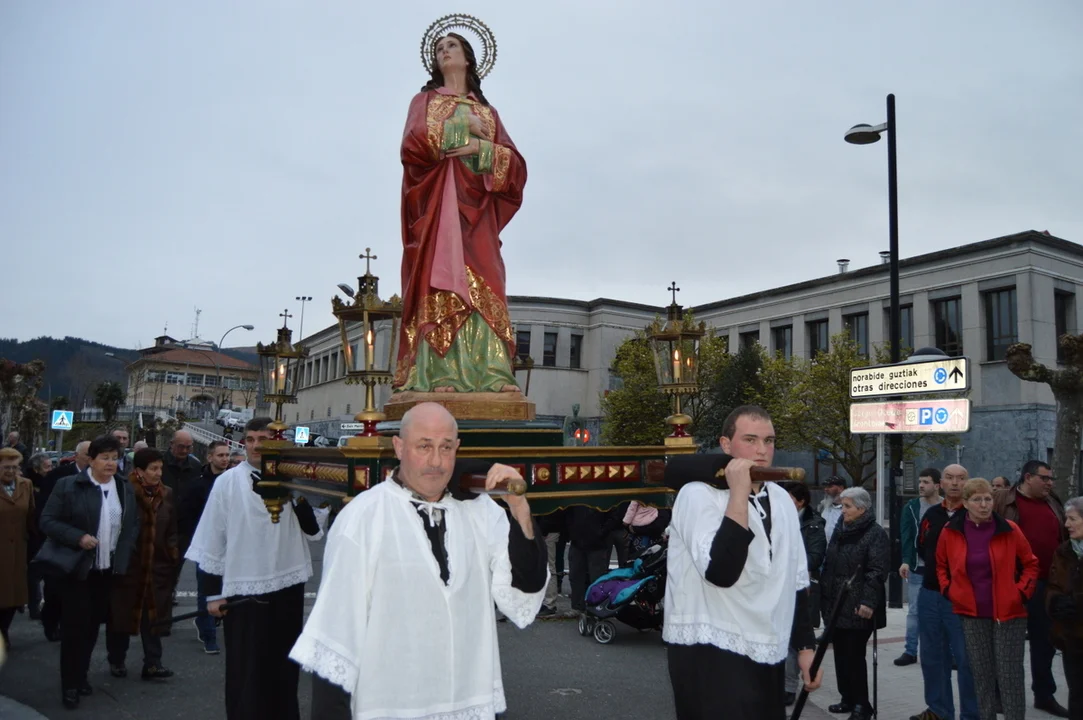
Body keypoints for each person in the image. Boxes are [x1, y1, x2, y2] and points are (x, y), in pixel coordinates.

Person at [289, 402, 548, 719]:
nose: (436, 461)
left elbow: (525, 585)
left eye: (446, 447)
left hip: (469, 701)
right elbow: (335, 638)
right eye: (424, 446)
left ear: (457, 449)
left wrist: (519, 508)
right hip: (390, 707)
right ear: (399, 447)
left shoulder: (481, 512)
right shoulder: (363, 517)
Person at [663, 405, 820, 719]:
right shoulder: (697, 495)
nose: (762, 450)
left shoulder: (781, 500)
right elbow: (721, 572)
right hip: (709, 648)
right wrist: (738, 493)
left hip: (767, 644)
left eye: (769, 440)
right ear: (726, 444)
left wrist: (805, 648)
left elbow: (794, 580)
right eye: (750, 440)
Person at [394, 31, 528, 393]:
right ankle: (440, 373)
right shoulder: (425, 101)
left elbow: (515, 167)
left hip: (478, 214)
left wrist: (478, 149)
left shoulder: (488, 112)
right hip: (439, 209)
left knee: (488, 280)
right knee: (442, 277)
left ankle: (493, 373)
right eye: (438, 49)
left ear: (467, 57)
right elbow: (413, 144)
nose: (444, 52)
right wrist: (461, 127)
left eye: (451, 46)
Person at [186, 417, 323, 720]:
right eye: (250, 439)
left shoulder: (294, 479)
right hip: (243, 587)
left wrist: (296, 494)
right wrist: (212, 594)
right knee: (246, 668)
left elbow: (314, 532)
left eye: (264, 439)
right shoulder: (227, 482)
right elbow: (212, 538)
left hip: (287, 584)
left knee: (284, 666)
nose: (257, 446)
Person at [39, 435, 139, 709]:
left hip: (106, 572)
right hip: (77, 570)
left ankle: (81, 675)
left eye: (114, 458)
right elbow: (47, 520)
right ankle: (70, 684)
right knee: (74, 630)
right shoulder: (69, 485)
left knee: (93, 627)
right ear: (91, 460)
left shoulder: (123, 488)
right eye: (104, 458)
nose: (110, 463)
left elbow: (132, 524)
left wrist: (124, 552)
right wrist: (78, 537)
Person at [935, 478, 1038, 720]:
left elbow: (1031, 564)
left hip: (1009, 613)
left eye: (988, 499)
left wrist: (1021, 593)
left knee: (1009, 675)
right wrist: (950, 591)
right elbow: (941, 566)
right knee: (981, 675)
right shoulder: (951, 531)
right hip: (971, 614)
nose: (984, 505)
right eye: (977, 500)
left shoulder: (1009, 529)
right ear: (965, 503)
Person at [994, 460, 1070, 717]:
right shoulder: (1003, 500)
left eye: (1051, 478)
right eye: (1044, 478)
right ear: (1028, 477)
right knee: (1008, 644)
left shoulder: (1053, 502)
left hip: (1047, 584)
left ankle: (1044, 695)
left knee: (1045, 643)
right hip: (1013, 583)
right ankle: (1002, 695)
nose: (1049, 483)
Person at [912, 464, 979, 720]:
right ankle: (939, 710)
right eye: (949, 478)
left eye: (961, 478)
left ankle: (971, 714)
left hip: (962, 597)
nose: (955, 483)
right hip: (930, 594)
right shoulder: (932, 514)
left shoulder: (975, 515)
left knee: (966, 659)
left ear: (967, 483)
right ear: (941, 483)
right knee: (932, 657)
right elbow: (921, 546)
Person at [106, 447, 179, 681]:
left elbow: (172, 529)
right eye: (153, 469)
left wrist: (172, 554)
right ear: (139, 471)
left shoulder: (166, 493)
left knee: (154, 618)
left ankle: (153, 663)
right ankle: (117, 659)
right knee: (121, 615)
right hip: (130, 567)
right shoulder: (124, 491)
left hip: (157, 567)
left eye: (160, 468)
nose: (158, 473)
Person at [819, 487, 889, 720]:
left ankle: (862, 705)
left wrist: (868, 601)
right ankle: (847, 698)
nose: (843, 510)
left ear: (862, 508)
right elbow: (830, 563)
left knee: (854, 655)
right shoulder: (841, 528)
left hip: (859, 605)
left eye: (847, 506)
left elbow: (877, 571)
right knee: (840, 654)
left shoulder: (874, 533)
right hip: (837, 602)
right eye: (843, 506)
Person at [178, 440, 231, 653]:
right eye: (220, 455)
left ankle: (209, 622)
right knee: (206, 590)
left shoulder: (233, 482)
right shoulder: (198, 485)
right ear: (210, 458)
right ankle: (209, 635)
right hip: (206, 544)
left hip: (230, 545)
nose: (225, 459)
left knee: (227, 588)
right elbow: (186, 515)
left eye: (227, 455)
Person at [38, 440, 91, 642]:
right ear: (76, 456)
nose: (91, 459)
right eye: (87, 455)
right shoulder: (58, 477)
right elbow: (45, 511)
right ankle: (51, 623)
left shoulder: (102, 479)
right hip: (59, 542)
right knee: (55, 589)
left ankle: (72, 626)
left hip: (88, 544)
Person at [783, 481, 827, 707]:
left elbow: (815, 557)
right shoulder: (779, 519)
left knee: (796, 638)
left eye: (789, 498)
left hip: (803, 586)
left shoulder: (814, 524)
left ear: (801, 502)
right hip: (781, 586)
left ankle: (789, 687)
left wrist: (789, 564)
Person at [897, 467, 942, 666]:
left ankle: (944, 651)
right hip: (918, 567)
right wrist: (906, 560)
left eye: (926, 482)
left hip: (941, 568)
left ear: (937, 485)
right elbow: (906, 536)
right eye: (920, 482)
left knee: (943, 611)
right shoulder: (912, 507)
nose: (921, 485)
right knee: (914, 611)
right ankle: (910, 651)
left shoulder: (946, 507)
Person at [1047, 496, 1083, 720]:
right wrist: (1055, 601)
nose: (1066, 524)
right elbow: (1053, 585)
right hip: (1071, 636)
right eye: (1066, 519)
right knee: (1077, 693)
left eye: (1072, 519)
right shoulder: (1063, 551)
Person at [0, 447, 36, 650]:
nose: (11, 471)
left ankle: (4, 630)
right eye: (6, 467)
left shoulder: (26, 485)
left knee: (14, 595)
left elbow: (31, 515)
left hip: (18, 550)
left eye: (14, 467)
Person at [820, 476, 845, 543]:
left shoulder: (848, 509)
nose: (826, 489)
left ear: (841, 488)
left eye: (830, 486)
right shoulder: (823, 507)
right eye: (825, 487)